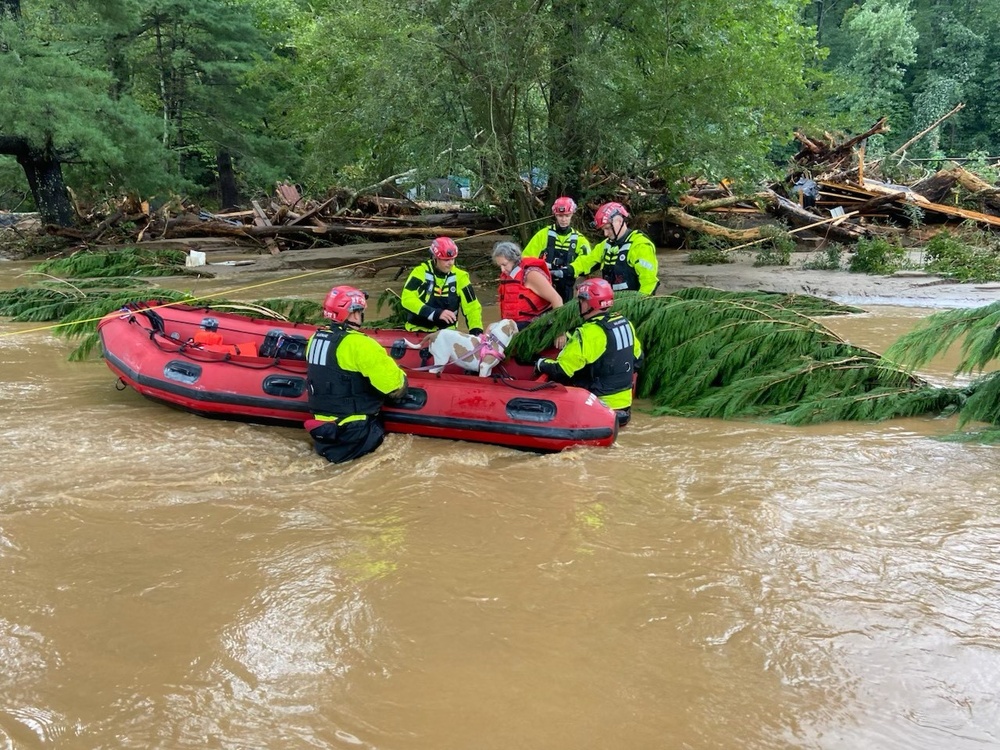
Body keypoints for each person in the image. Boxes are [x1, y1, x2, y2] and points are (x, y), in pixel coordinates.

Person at [305, 285, 408, 464]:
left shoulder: (315, 339)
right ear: (353, 314)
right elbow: (394, 386)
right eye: (360, 311)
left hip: (324, 430)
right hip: (355, 431)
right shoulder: (361, 345)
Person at [534, 278, 642, 427]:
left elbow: (562, 371)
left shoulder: (588, 333)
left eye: (581, 300)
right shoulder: (625, 324)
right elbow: (637, 360)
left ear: (588, 303)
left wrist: (540, 363)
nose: (580, 304)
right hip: (624, 408)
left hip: (597, 409)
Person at [400, 236, 484, 335]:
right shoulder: (419, 272)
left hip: (447, 334)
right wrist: (435, 313)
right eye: (446, 260)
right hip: (418, 331)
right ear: (435, 258)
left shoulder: (461, 277)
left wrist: (476, 331)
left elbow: (472, 307)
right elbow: (407, 299)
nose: (451, 263)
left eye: (453, 259)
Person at [522, 196, 594, 302]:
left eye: (567, 215)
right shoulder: (543, 234)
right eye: (560, 216)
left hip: (566, 287)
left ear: (572, 214)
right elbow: (526, 258)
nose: (564, 219)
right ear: (555, 215)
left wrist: (569, 270)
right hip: (544, 285)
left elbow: (588, 262)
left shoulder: (580, 239)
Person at [585, 201, 659, 295]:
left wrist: (638, 305)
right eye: (603, 230)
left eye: (608, 228)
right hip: (611, 301)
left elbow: (649, 283)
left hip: (632, 303)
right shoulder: (606, 245)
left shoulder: (640, 245)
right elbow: (587, 261)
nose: (605, 234)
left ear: (619, 221)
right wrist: (569, 270)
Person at [492, 240, 563, 330]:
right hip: (516, 325)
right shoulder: (508, 276)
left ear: (513, 260)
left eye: (504, 264)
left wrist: (560, 331)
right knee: (491, 328)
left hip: (535, 325)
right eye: (500, 266)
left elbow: (557, 300)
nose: (502, 270)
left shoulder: (531, 274)